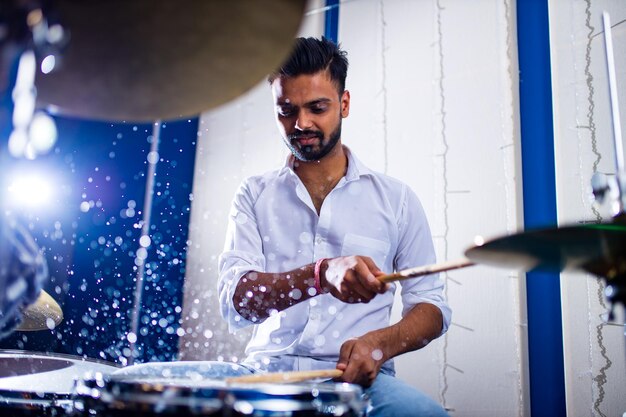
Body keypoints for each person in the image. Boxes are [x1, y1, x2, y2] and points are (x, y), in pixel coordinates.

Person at [218, 37, 451, 417]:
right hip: (266, 377)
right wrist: (320, 274)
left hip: (361, 384)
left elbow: (432, 307)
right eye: (286, 110)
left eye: (317, 107)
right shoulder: (253, 194)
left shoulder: (397, 200)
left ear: (344, 104)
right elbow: (236, 301)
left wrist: (381, 344)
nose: (301, 123)